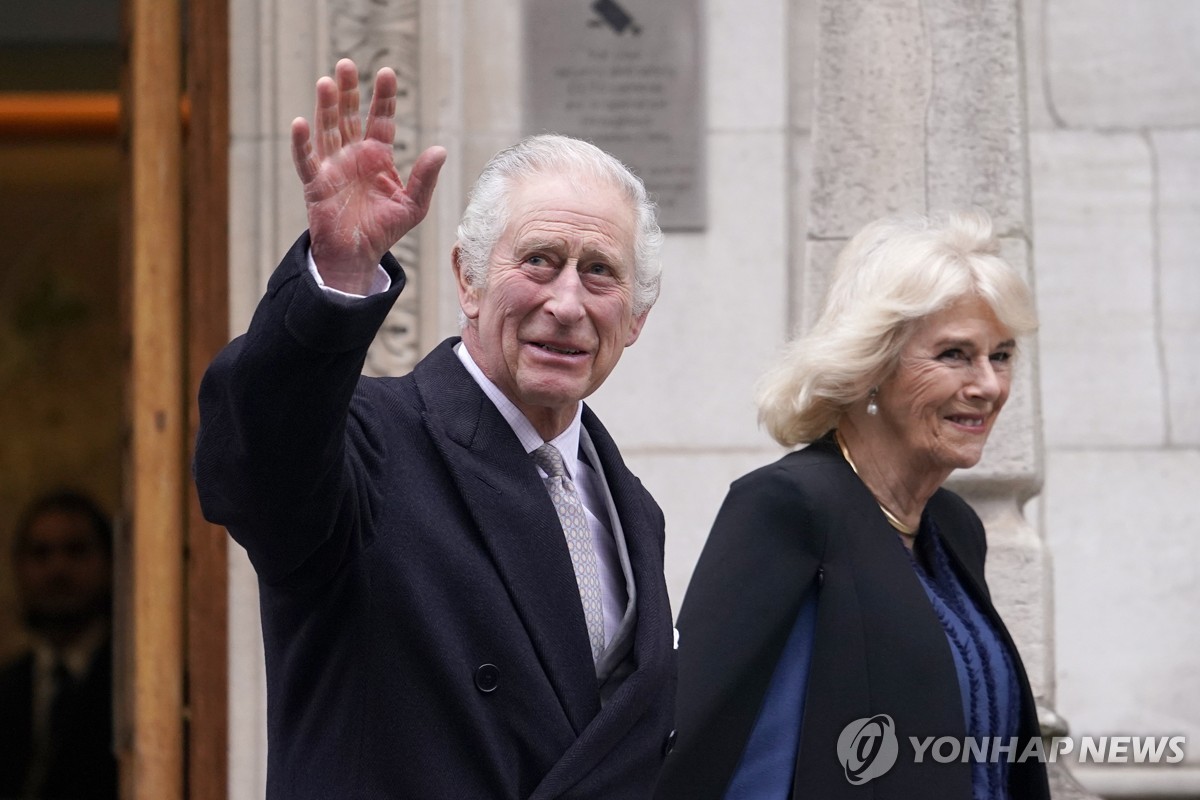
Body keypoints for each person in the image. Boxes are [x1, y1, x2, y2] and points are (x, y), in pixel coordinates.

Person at [193, 59, 676, 799]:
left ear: (636, 317)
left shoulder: (632, 509)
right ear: (467, 280)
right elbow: (253, 463)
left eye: (600, 272)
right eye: (539, 261)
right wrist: (337, 280)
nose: (567, 302)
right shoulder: (371, 445)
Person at [655, 211, 1052, 800]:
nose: (989, 386)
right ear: (873, 365)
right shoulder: (789, 507)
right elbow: (723, 750)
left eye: (1001, 355)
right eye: (954, 354)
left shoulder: (955, 526)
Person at [0, 490, 118, 800]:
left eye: (76, 551)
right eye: (41, 553)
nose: (57, 569)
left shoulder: (136, 688)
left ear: (110, 563)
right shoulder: (7, 687)